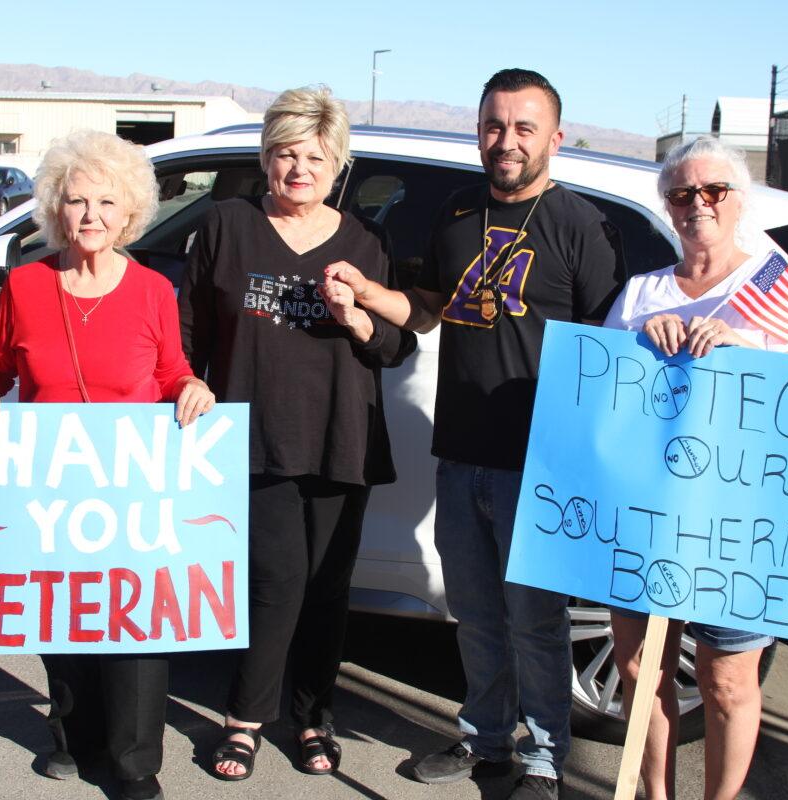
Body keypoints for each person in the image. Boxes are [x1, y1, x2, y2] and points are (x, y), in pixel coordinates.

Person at [325, 68, 622, 800]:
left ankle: (547, 761)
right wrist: (368, 295)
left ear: (555, 136)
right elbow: (426, 309)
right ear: (478, 129)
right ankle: (486, 740)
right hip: (459, 455)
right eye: (494, 124)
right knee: (475, 617)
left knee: (537, 623)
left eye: (524, 127)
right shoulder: (458, 212)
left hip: (540, 464)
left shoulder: (580, 225)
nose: (506, 140)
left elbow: (612, 351)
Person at [0, 129, 214, 800]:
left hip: (131, 485)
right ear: (55, 209)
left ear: (129, 210)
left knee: (134, 624)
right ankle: (74, 737)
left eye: (107, 201)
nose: (91, 215)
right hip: (49, 481)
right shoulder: (24, 285)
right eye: (76, 201)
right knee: (61, 614)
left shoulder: (154, 290)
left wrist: (192, 388)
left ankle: (135, 766)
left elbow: (172, 372)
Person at [178, 86, 417, 781]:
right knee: (275, 580)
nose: (299, 168)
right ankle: (245, 721)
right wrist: (187, 381)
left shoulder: (366, 240)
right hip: (252, 436)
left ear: (336, 163)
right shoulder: (227, 225)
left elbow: (397, 346)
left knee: (326, 587)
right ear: (267, 157)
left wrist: (358, 318)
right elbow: (189, 327)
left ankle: (314, 716)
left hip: (343, 437)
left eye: (315, 156)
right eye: (286, 154)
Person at [603, 135, 788, 800]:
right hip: (645, 514)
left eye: (714, 190)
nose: (698, 203)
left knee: (726, 680)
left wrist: (744, 347)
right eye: (682, 194)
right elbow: (596, 393)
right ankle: (655, 794)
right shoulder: (642, 292)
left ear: (738, 200)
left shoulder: (777, 286)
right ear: (668, 209)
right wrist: (640, 339)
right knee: (642, 669)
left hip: (739, 522)